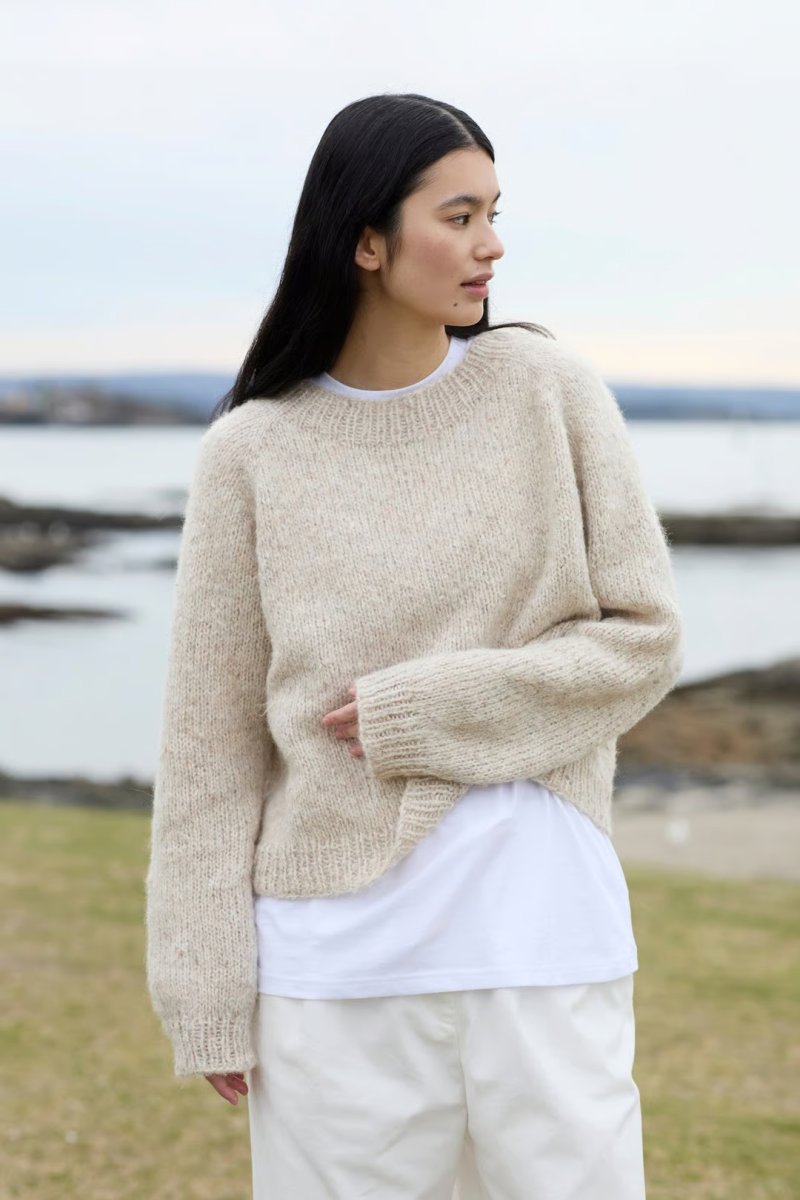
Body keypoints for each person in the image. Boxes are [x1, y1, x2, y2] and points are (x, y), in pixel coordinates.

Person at [144, 92, 684, 1199]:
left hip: (541, 933)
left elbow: (644, 642)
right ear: (366, 240)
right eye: (459, 215)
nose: (491, 245)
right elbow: (210, 746)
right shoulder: (252, 450)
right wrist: (200, 984)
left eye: (493, 213)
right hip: (329, 964)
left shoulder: (547, 391)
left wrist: (433, 709)